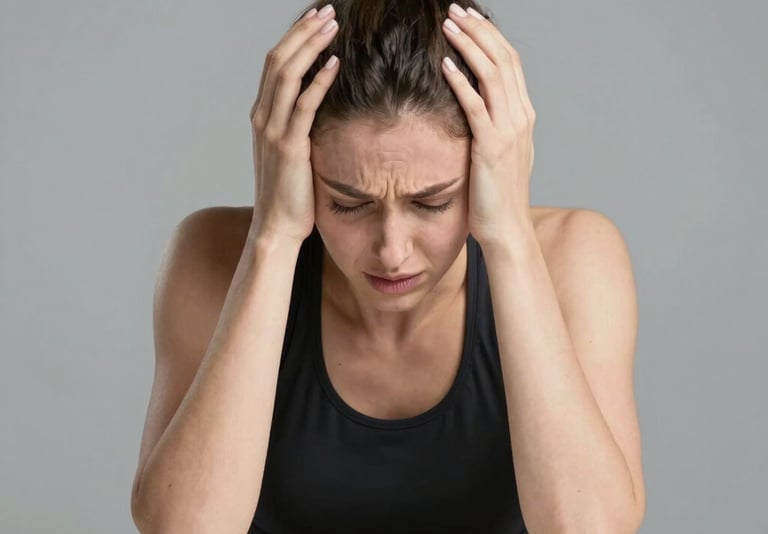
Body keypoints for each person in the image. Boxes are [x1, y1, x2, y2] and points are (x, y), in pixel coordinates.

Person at [130, 1, 646, 533]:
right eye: (349, 203)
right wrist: (275, 236)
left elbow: (589, 527)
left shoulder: (575, 256)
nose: (392, 250)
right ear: (295, 169)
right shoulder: (212, 253)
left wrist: (510, 237)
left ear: (493, 167)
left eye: (433, 203)